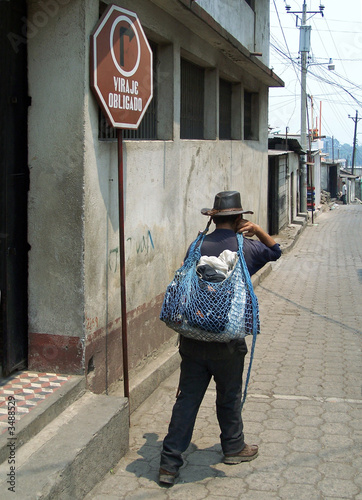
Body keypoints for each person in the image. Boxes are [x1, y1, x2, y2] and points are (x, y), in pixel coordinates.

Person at [159, 191, 282, 485]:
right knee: (228, 396)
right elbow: (276, 251)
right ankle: (233, 447)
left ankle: (168, 464)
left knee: (187, 399)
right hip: (227, 342)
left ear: (213, 218)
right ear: (240, 219)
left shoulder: (197, 244)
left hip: (192, 338)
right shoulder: (247, 248)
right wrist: (259, 232)